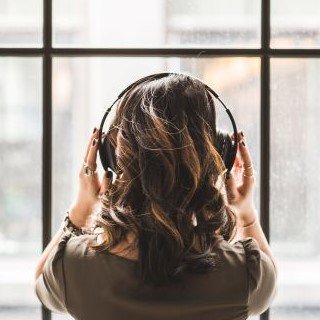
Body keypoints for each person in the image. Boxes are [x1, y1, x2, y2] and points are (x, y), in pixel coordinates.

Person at [34, 73, 277, 320]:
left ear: (111, 157)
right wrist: (246, 213)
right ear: (219, 154)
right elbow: (269, 285)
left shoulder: (73, 268)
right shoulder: (244, 274)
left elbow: (41, 280)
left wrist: (81, 210)